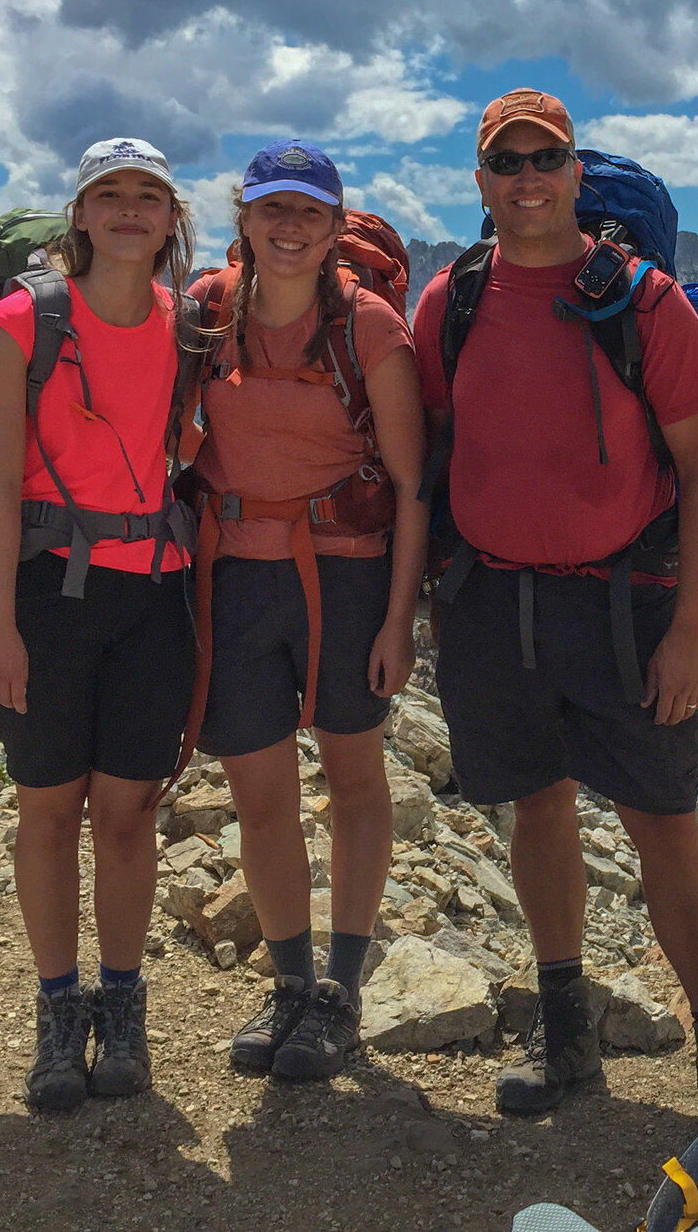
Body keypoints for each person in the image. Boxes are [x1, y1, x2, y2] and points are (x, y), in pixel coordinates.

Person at [413, 89, 698, 1165]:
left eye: (546, 159)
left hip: (624, 605)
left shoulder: (644, 301)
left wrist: (690, 631)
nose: (527, 178)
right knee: (535, 808)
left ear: (576, 174)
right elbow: (435, 447)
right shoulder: (456, 298)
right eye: (506, 162)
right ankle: (566, 1033)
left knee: (661, 819)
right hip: (494, 599)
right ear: (482, 184)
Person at [184, 141, 426, 1080]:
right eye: (272, 209)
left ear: (334, 227)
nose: (289, 228)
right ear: (244, 217)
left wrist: (400, 622)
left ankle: (341, 990)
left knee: (354, 774)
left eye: (309, 213)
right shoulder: (206, 315)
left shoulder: (369, 330)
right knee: (260, 792)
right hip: (235, 576)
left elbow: (411, 486)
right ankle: (290, 985)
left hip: (349, 576)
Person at [0, 137, 198, 1112]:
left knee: (127, 814)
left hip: (153, 598)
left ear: (169, 218)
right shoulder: (19, 323)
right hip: (44, 602)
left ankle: (123, 1003)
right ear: (80, 214)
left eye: (148, 195)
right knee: (48, 809)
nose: (130, 210)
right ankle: (60, 1013)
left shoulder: (187, 327)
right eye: (110, 193)